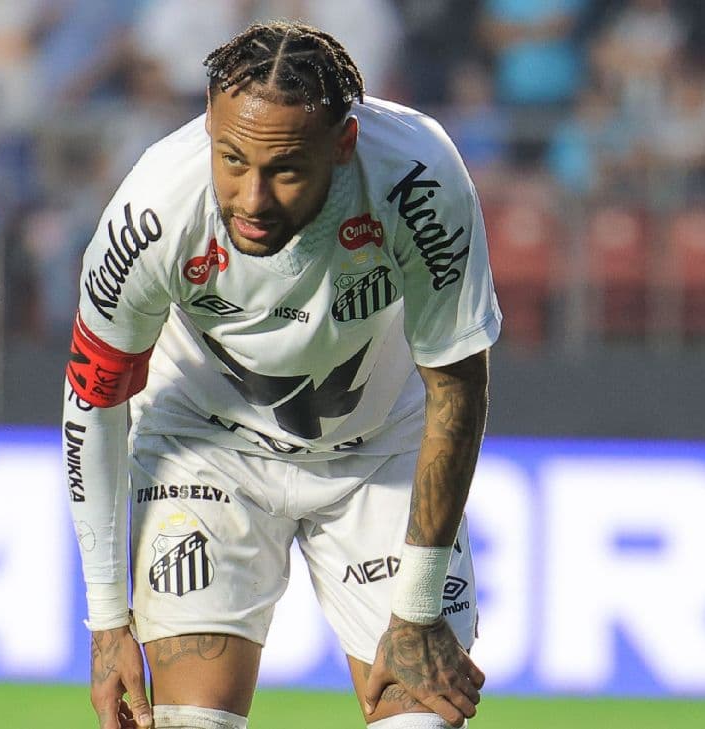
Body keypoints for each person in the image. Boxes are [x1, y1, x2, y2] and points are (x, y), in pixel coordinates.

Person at [63, 21, 501, 729]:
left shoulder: (418, 179)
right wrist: (108, 621)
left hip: (381, 452)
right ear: (210, 126)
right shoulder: (153, 211)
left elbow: (458, 385)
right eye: (232, 159)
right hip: (208, 444)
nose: (252, 198)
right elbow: (93, 400)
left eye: (286, 170)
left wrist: (418, 608)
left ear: (344, 143)